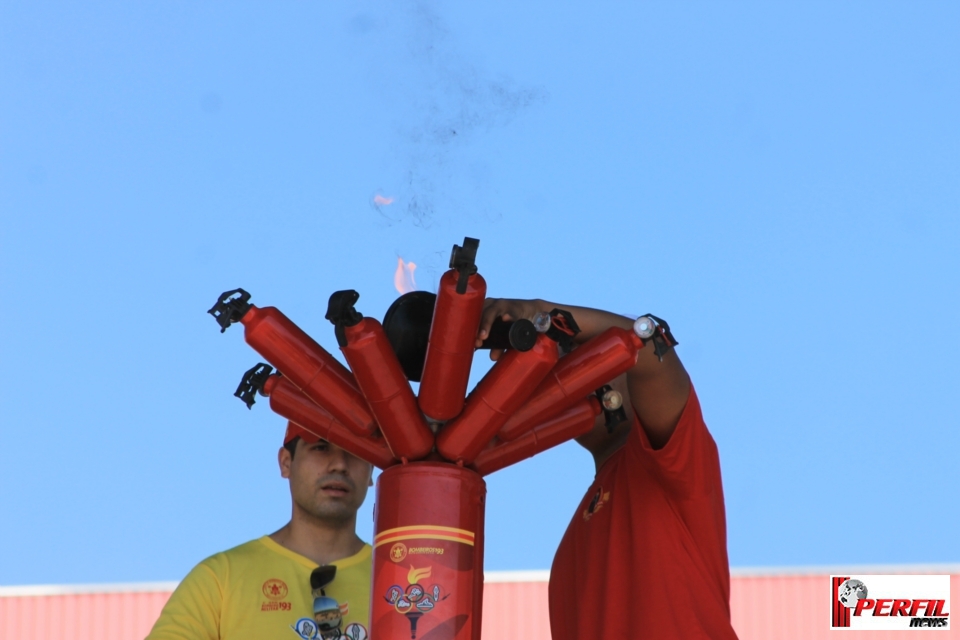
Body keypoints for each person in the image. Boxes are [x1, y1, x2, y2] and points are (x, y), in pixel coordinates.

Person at [477, 299, 739, 640]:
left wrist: (542, 314)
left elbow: (649, 347)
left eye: (592, 358)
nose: (572, 376)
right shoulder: (575, 535)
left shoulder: (675, 460)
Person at [146, 421, 374, 640]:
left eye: (354, 450)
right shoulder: (220, 578)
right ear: (286, 463)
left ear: (371, 469)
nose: (340, 464)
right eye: (321, 447)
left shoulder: (400, 579)